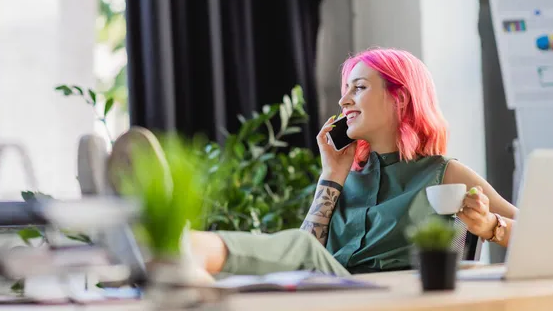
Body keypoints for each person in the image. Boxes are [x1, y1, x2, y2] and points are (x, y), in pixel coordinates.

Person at [185, 48, 517, 278]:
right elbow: (306, 256)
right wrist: (330, 176)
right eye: (346, 90)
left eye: (358, 88)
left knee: (295, 250)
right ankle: (184, 261)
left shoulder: (445, 172)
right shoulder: (345, 176)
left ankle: (187, 246)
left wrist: (490, 225)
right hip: (337, 293)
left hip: (395, 298)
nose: (344, 101)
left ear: (399, 98)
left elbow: (539, 234)